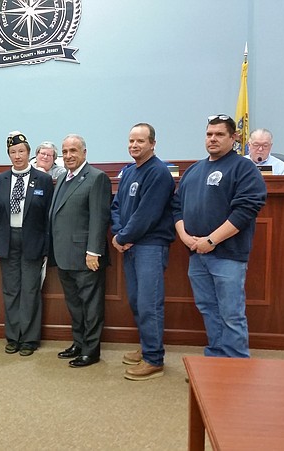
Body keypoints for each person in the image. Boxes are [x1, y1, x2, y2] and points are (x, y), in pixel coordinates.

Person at [171, 114, 267, 358]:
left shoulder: (244, 168)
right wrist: (184, 236)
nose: (212, 139)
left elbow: (245, 210)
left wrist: (211, 240)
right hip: (196, 253)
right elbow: (176, 207)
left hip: (227, 255)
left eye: (219, 134)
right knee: (208, 309)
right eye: (209, 134)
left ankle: (235, 365)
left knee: (231, 313)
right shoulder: (194, 170)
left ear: (234, 138)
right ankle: (215, 360)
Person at [110, 123, 175, 381]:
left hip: (150, 246)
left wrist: (123, 237)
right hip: (130, 245)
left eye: (140, 141)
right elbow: (116, 207)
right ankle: (148, 345)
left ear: (152, 144)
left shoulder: (159, 173)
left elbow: (147, 214)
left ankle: (154, 358)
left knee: (150, 303)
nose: (134, 145)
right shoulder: (128, 172)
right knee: (137, 301)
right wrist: (119, 233)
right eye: (131, 141)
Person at [49, 134, 111, 368]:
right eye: (65, 152)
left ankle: (91, 350)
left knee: (91, 305)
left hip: (87, 256)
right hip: (64, 255)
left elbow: (99, 217)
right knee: (74, 304)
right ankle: (78, 342)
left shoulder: (96, 178)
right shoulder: (64, 177)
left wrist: (94, 251)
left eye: (73, 151)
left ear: (84, 152)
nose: (68, 156)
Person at [0, 133, 54, 356]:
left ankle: (29, 338)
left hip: (33, 241)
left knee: (30, 290)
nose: (17, 156)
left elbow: (49, 216)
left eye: (21, 151)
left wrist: (47, 247)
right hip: (7, 241)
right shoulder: (0, 180)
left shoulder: (43, 179)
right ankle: (13, 336)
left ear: (29, 153)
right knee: (11, 290)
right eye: (12, 152)